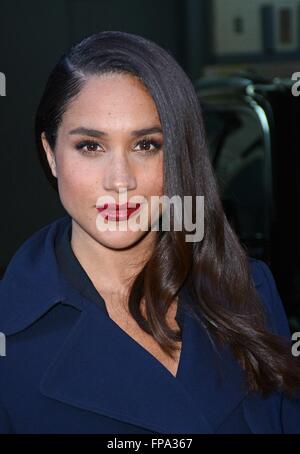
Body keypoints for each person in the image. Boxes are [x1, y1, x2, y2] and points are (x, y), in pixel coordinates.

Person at [0, 30, 300, 434]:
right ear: (51, 154)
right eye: (91, 146)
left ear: (177, 155)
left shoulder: (249, 290)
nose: (120, 180)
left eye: (146, 146)